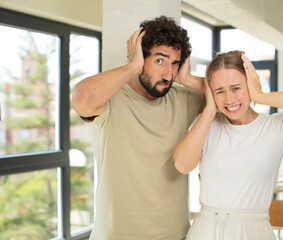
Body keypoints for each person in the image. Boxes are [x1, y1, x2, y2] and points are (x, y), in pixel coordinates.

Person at [72, 16, 205, 240]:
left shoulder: (182, 98)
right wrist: (133, 67)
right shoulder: (111, 98)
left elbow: (230, 96)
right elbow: (82, 97)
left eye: (175, 63)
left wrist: (188, 78)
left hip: (174, 235)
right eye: (160, 61)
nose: (169, 74)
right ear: (141, 57)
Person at [173, 50, 283, 239]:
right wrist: (210, 108)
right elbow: (182, 164)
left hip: (252, 231)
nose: (229, 99)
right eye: (219, 91)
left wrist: (260, 95)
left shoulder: (274, 128)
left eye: (236, 88)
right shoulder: (206, 124)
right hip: (205, 229)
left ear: (250, 84)